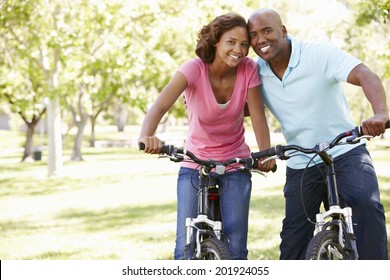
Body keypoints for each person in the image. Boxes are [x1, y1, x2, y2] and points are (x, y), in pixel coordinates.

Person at [248, 8, 389, 260]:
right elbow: (244, 105)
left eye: (266, 31)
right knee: (293, 236)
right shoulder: (256, 71)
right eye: (253, 35)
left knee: (365, 206)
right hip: (302, 159)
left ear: (282, 31)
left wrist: (380, 112)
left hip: (345, 150)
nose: (260, 40)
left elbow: (365, 74)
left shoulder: (318, 53)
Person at [138, 13, 275, 260]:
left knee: (235, 251)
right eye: (231, 42)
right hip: (195, 162)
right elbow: (159, 107)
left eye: (244, 44)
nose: (239, 50)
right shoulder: (194, 69)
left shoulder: (248, 69)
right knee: (185, 248)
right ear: (215, 42)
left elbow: (257, 116)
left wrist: (265, 154)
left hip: (235, 163)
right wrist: (147, 136)